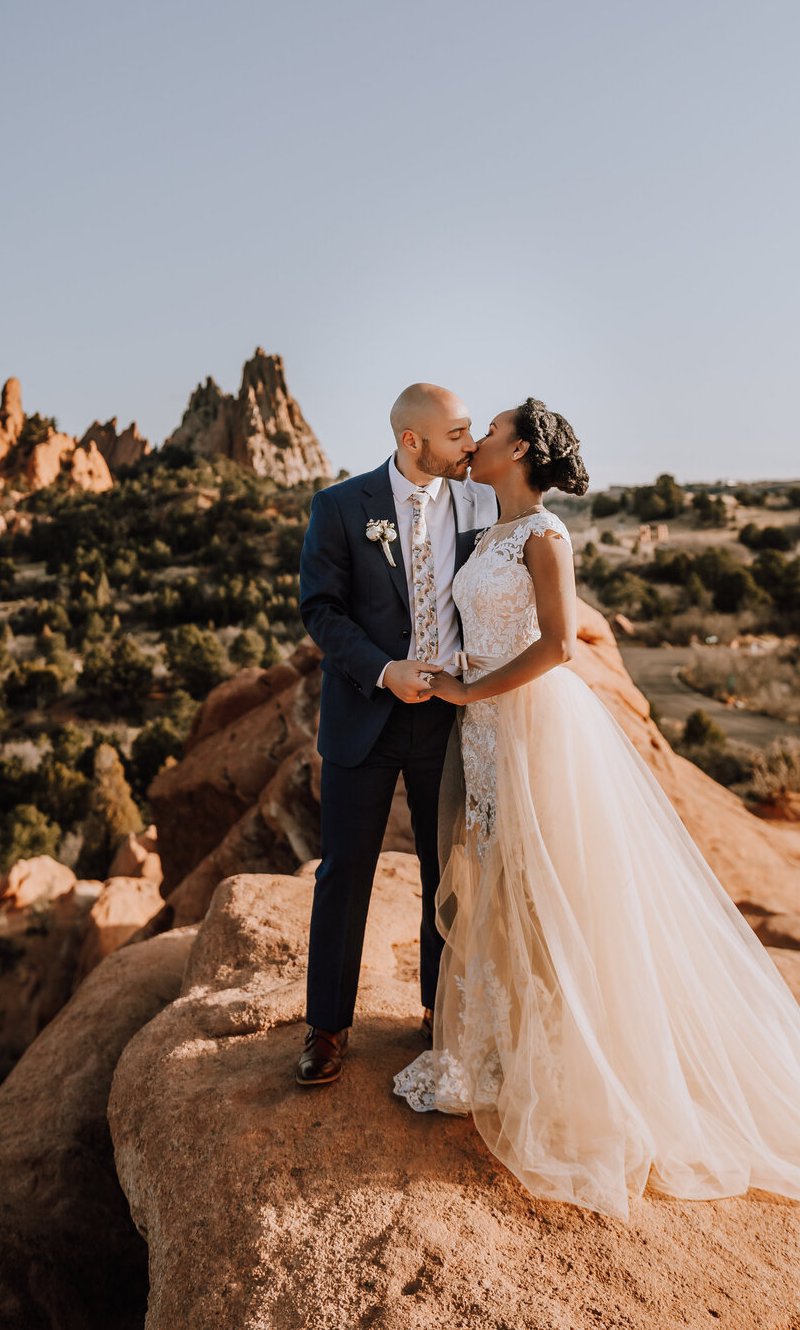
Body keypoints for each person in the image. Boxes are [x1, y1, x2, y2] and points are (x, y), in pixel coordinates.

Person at [392, 400, 800, 1224]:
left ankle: (575, 1066)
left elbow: (561, 644)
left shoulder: (545, 535)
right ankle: (498, 1050)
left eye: (491, 428)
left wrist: (470, 689)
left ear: (520, 448)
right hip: (488, 730)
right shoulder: (488, 531)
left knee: (553, 886)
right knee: (500, 877)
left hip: (535, 723)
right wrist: (445, 675)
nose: (479, 438)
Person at [295, 384, 497, 1085]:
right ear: (413, 441)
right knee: (344, 872)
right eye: (457, 434)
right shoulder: (340, 506)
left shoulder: (481, 505)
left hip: (448, 720)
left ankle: (437, 1015)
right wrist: (384, 671)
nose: (469, 446)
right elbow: (319, 610)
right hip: (363, 716)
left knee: (449, 873)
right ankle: (326, 1027)